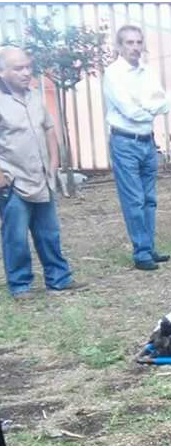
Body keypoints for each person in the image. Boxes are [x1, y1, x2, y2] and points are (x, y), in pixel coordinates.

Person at [0, 46, 85, 299]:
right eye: (19, 68)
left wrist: (54, 162)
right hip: (13, 180)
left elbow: (48, 128)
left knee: (49, 233)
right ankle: (20, 285)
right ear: (2, 72)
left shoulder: (35, 96)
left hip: (42, 178)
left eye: (28, 67)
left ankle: (59, 278)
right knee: (15, 236)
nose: (26, 73)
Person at [103, 25, 170, 271]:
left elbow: (164, 102)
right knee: (134, 199)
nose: (135, 47)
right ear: (119, 46)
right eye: (129, 42)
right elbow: (128, 110)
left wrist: (144, 106)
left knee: (149, 199)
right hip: (124, 141)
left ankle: (149, 247)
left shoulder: (147, 71)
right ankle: (141, 252)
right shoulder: (113, 74)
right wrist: (146, 106)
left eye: (138, 42)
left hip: (147, 140)